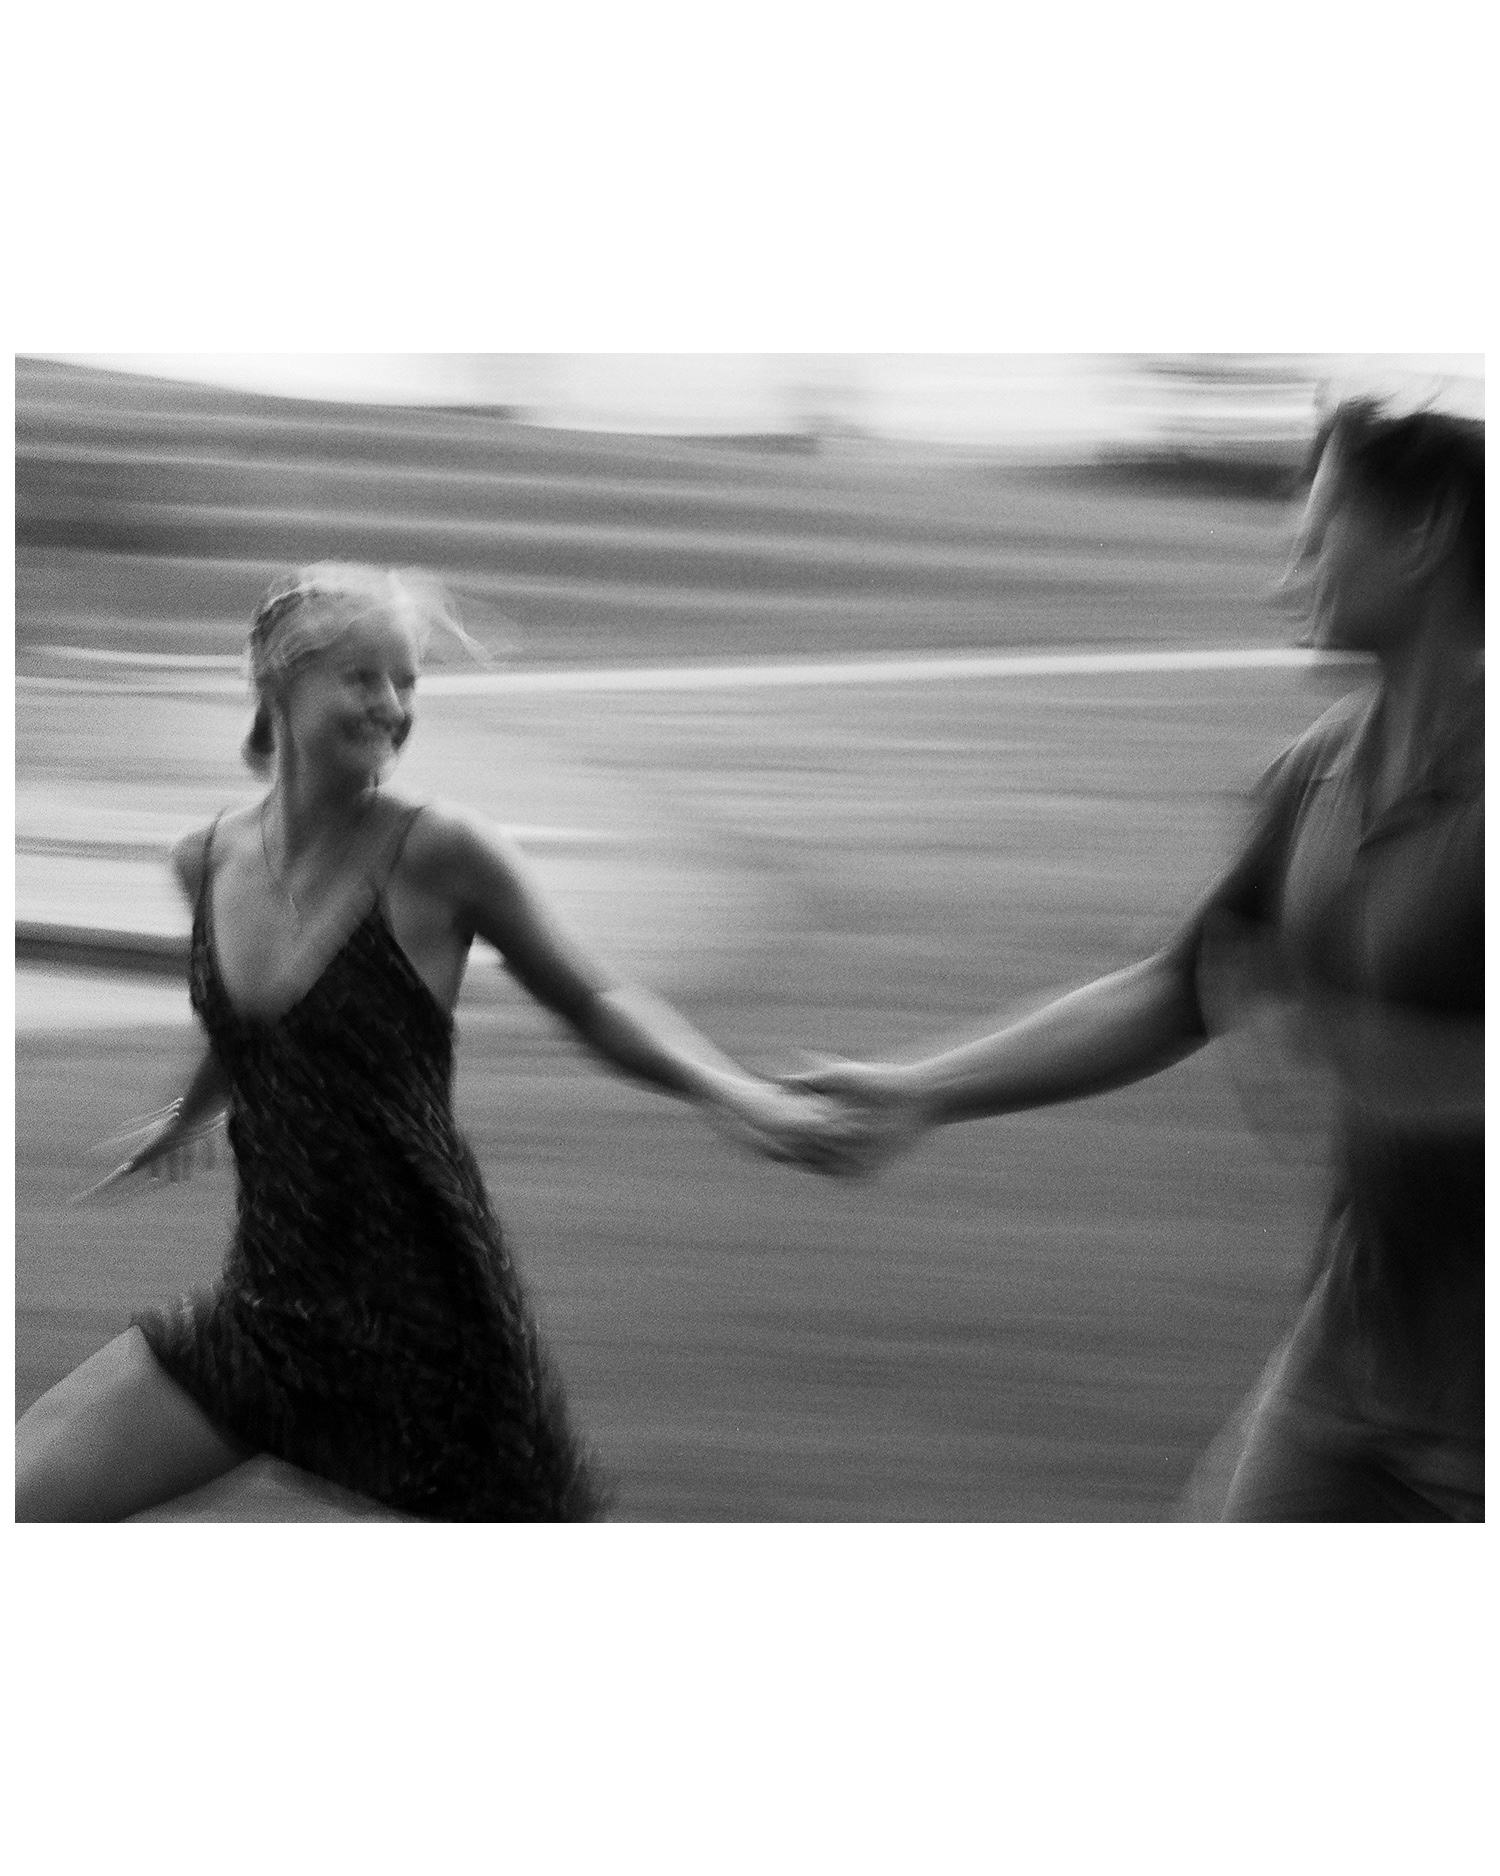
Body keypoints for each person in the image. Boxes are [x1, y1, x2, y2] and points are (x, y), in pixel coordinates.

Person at [17, 563, 851, 1522]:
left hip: (429, 1328)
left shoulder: (441, 852)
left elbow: (597, 997)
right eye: (362, 678)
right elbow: (254, 1029)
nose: (392, 705)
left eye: (406, 681)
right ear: (280, 683)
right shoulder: (205, 860)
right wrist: (188, 1111)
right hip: (271, 1311)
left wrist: (737, 1093)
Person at [796, 400, 1484, 1522]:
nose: (1288, 579)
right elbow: (1174, 989)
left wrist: (1357, 1056)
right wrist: (920, 1091)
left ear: (1426, 534)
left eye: (1317, 541)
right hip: (1354, 1351)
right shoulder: (1314, 772)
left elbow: (1328, 1041)